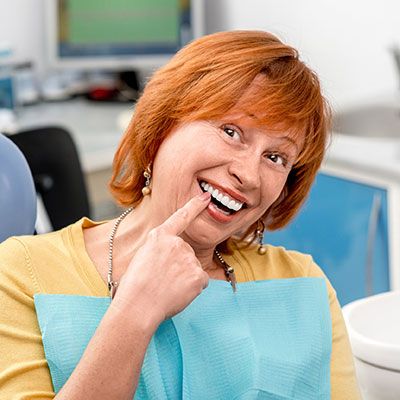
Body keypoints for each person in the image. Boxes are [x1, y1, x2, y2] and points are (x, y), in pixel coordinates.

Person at [0, 30, 361, 399]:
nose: (249, 175)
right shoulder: (20, 273)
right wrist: (134, 314)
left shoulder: (304, 284)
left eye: (275, 158)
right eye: (231, 131)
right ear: (161, 128)